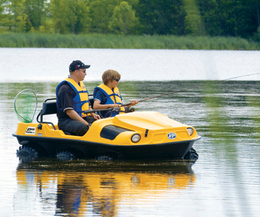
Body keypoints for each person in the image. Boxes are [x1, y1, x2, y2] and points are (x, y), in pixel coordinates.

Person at [56, 60, 100, 136]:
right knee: (84, 127)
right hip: (67, 121)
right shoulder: (65, 89)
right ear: (76, 72)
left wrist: (93, 114)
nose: (86, 74)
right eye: (84, 71)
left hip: (82, 117)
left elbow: (87, 106)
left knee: (101, 123)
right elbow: (69, 112)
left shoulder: (81, 86)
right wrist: (87, 124)